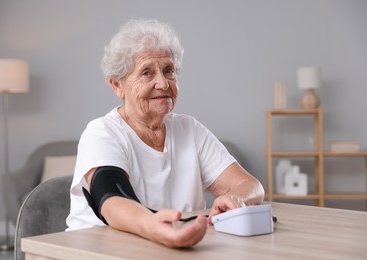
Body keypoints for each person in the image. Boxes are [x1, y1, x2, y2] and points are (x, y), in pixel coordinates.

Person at [66, 19, 264, 248]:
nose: (162, 83)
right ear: (117, 85)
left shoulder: (190, 129)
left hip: (174, 247)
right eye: (147, 73)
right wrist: (155, 228)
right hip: (101, 250)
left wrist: (235, 199)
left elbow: (251, 185)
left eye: (168, 70)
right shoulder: (102, 133)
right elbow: (111, 200)